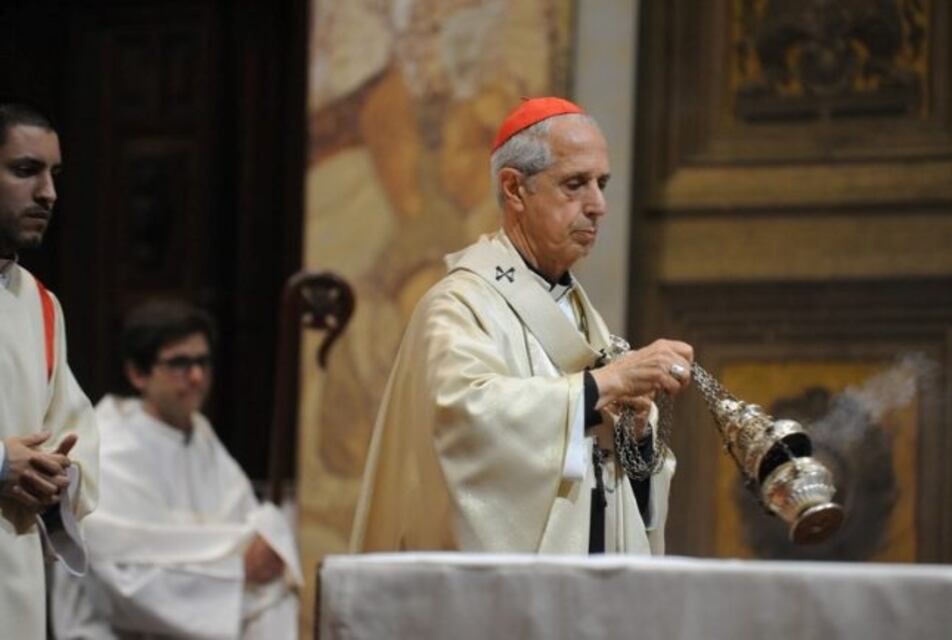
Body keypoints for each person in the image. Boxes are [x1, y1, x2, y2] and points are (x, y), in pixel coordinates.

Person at [351, 97, 694, 555]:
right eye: (575, 184)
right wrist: (602, 387)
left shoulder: (580, 316)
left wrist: (633, 434)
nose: (598, 205)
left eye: (602, 183)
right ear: (514, 189)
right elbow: (464, 424)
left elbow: (609, 474)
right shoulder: (459, 307)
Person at [50, 300, 302, 639]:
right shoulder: (107, 448)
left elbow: (248, 528)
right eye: (179, 363)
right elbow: (123, 581)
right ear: (137, 374)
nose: (197, 376)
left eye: (202, 362)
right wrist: (236, 571)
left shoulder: (199, 434)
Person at [0, 98, 100, 639]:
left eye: (54, 174)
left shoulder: (40, 305)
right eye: (25, 170)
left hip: (12, 581)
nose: (48, 193)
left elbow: (75, 433)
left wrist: (58, 475)